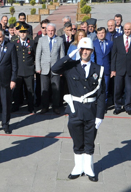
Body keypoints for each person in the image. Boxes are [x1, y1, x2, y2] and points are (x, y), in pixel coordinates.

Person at [52, 37, 105, 182]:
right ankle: (78, 167)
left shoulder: (98, 69)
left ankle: (88, 168)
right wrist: (69, 55)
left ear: (92, 51)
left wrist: (100, 115)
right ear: (79, 50)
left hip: (91, 111)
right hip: (75, 110)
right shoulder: (71, 67)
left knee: (89, 141)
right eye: (83, 49)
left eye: (88, 49)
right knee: (77, 140)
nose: (85, 52)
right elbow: (54, 69)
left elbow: (101, 94)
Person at [35, 23, 65, 114]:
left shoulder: (59, 40)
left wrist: (61, 69)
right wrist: (38, 67)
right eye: (49, 30)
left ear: (55, 31)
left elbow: (62, 56)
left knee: (56, 89)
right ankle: (45, 107)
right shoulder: (41, 40)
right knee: (44, 89)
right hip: (44, 69)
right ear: (46, 31)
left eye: (52, 30)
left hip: (55, 69)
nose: (51, 32)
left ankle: (55, 107)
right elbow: (38, 55)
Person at [12, 23, 35, 113]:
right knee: (17, 90)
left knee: (30, 90)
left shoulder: (31, 43)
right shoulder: (14, 43)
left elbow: (34, 55)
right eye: (21, 32)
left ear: (27, 32)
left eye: (24, 32)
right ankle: (16, 106)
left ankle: (31, 107)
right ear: (18, 33)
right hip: (18, 70)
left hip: (29, 70)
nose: (23, 34)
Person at [111, 22, 131, 115]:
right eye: (126, 29)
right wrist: (113, 69)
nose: (127, 31)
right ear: (123, 29)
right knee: (118, 89)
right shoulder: (117, 40)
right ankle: (118, 106)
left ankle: (128, 106)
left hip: (130, 69)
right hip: (119, 69)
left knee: (129, 89)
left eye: (129, 29)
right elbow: (113, 56)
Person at [93, 27, 113, 108]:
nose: (101, 34)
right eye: (99, 33)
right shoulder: (94, 43)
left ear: (105, 33)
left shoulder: (110, 43)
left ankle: (103, 105)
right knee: (96, 88)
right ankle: (96, 104)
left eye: (103, 32)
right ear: (97, 35)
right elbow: (93, 57)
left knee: (105, 88)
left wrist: (112, 69)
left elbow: (112, 57)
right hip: (97, 70)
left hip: (107, 70)